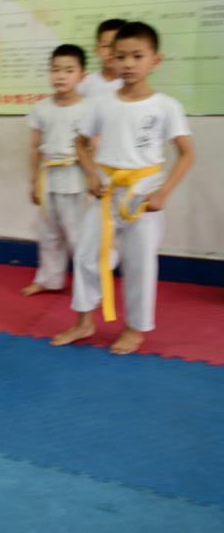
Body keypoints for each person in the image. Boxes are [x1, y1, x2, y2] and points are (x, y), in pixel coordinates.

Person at [51, 22, 194, 355]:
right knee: (86, 255)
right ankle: (84, 320)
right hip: (106, 192)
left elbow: (187, 153)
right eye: (121, 56)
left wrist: (164, 192)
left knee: (139, 262)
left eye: (137, 56)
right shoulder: (102, 103)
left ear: (154, 60)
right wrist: (90, 173)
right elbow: (82, 143)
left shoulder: (165, 105)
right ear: (111, 59)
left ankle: (134, 329)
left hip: (143, 195)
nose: (128, 64)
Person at [21, 44, 90, 296]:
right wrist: (32, 181)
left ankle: (88, 283)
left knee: (78, 235)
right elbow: (34, 147)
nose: (61, 75)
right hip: (48, 177)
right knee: (49, 233)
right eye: (56, 69)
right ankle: (49, 279)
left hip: (77, 177)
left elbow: (95, 148)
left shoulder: (89, 108)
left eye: (69, 70)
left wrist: (94, 178)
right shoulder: (42, 108)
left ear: (82, 76)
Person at [76, 19, 126, 98]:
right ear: (97, 48)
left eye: (117, 46)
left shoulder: (130, 83)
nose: (111, 52)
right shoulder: (85, 83)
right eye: (106, 46)